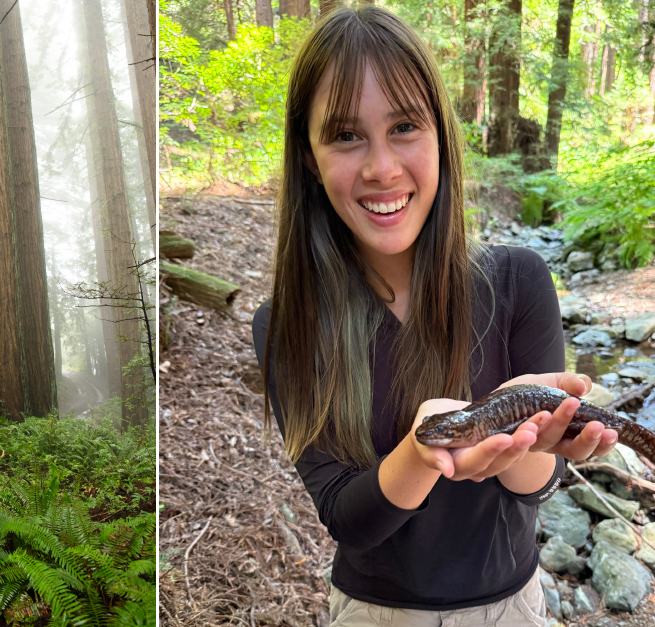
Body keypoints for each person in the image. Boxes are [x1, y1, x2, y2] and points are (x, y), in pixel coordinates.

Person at [251, 7, 618, 626]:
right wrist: (424, 454)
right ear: (309, 157)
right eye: (345, 134)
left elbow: (539, 483)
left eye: (404, 127)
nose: (382, 168)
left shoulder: (519, 280)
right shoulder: (287, 324)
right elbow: (346, 519)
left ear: (441, 138)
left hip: (510, 605)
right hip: (372, 611)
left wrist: (525, 429)